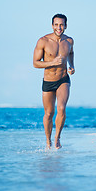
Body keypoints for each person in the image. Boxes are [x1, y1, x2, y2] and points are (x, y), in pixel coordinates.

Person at [33, 14, 75, 149]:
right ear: (52, 26)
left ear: (66, 26)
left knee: (61, 108)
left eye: (61, 25)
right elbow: (35, 63)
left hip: (63, 79)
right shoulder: (43, 41)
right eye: (56, 25)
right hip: (49, 81)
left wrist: (71, 65)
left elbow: (71, 53)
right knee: (49, 113)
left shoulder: (69, 41)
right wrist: (52, 62)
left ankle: (57, 138)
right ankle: (48, 141)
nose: (59, 28)